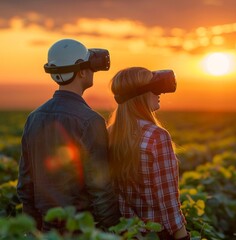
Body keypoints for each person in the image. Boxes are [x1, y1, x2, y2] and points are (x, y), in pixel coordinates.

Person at [17, 39, 120, 232]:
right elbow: (100, 190)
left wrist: (34, 231)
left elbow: (25, 184)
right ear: (81, 72)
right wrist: (116, 230)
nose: (92, 72)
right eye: (90, 67)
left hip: (45, 230)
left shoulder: (33, 118)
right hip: (80, 230)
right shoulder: (90, 121)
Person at [107, 67, 189, 239]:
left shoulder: (110, 133)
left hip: (127, 232)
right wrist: (182, 235)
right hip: (157, 233)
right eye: (154, 88)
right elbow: (168, 201)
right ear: (141, 94)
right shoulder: (157, 137)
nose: (159, 93)